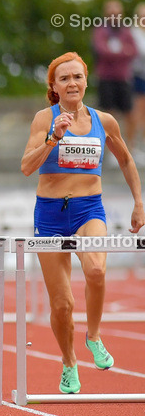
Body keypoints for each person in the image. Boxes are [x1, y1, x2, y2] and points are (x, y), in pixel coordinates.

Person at [20, 51, 143, 394]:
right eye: (64, 78)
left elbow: (127, 159)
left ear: (86, 81)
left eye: (77, 76)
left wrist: (138, 202)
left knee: (96, 271)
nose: (72, 83)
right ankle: (69, 361)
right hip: (49, 214)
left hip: (89, 209)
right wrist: (53, 138)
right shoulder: (45, 119)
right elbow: (27, 167)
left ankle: (93, 336)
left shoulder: (105, 121)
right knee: (62, 304)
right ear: (54, 88)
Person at [91, 0, 137, 140]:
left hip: (123, 78)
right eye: (111, 12)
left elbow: (134, 51)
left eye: (116, 12)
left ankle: (130, 148)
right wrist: (123, 52)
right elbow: (101, 50)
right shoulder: (100, 30)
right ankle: (111, 150)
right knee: (108, 115)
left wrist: (114, 53)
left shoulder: (125, 30)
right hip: (106, 78)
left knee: (130, 114)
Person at [129, 2, 145, 162]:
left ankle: (140, 146)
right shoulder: (134, 33)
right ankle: (132, 146)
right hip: (137, 76)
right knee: (136, 113)